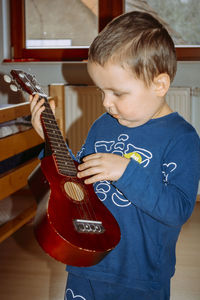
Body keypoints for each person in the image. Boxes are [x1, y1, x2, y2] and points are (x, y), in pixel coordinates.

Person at [30, 11, 200, 300]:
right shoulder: (103, 125)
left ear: (160, 85)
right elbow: (78, 177)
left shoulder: (182, 139)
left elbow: (177, 210)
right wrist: (48, 137)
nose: (107, 103)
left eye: (118, 93)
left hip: (140, 276)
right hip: (87, 260)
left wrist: (126, 171)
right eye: (101, 91)